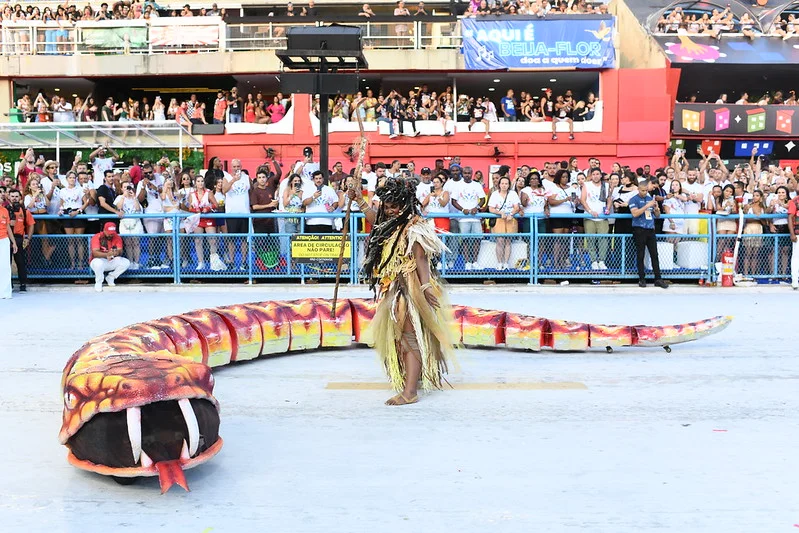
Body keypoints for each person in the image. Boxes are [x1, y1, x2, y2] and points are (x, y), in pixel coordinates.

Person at [348, 176, 455, 405]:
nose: (390, 211)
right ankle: (410, 381)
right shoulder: (391, 224)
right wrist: (358, 200)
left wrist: (425, 287)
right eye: (387, 207)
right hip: (393, 287)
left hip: (409, 287)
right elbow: (374, 221)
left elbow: (421, 259)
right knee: (400, 338)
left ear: (405, 204)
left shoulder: (414, 227)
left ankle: (409, 393)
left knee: (409, 336)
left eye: (395, 206)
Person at [629, 180, 668, 289]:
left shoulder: (650, 198)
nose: (644, 192)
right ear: (638, 189)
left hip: (650, 229)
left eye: (646, 190)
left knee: (654, 255)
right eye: (642, 190)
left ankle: (658, 278)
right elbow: (635, 213)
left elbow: (657, 215)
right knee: (640, 254)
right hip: (639, 229)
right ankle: (642, 278)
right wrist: (647, 206)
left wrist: (656, 209)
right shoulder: (634, 199)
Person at [488, 176, 521, 270]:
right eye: (502, 183)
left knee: (508, 241)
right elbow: (491, 208)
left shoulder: (513, 194)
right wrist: (500, 213)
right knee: (500, 240)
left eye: (506, 183)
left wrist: (511, 214)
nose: (504, 185)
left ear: (509, 185)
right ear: (499, 184)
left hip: (510, 219)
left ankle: (506, 263)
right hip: (499, 220)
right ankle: (499, 263)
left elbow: (516, 207)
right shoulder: (494, 194)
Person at [89, 221, 130, 292]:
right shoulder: (97, 237)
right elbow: (95, 253)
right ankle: (98, 282)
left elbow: (120, 251)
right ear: (104, 230)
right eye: (109, 233)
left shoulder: (116, 237)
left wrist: (116, 252)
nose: (110, 235)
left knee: (126, 262)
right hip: (98, 260)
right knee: (98, 263)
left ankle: (111, 277)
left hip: (111, 260)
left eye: (112, 233)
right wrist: (107, 254)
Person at [7, 189, 32, 292]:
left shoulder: (25, 211)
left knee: (20, 262)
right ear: (9, 197)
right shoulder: (4, 210)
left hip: (19, 238)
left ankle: (23, 284)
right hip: (6, 239)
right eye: (12, 196)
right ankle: (8, 284)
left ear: (20, 198)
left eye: (16, 196)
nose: (14, 198)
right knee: (6, 263)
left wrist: (28, 238)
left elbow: (31, 225)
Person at [0, 199, 17, 298]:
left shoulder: (5, 210)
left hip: (4, 240)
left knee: (5, 267)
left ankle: (5, 293)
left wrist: (13, 242)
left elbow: (8, 227)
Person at [788, 191, 799, 290]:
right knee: (796, 257)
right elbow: (790, 217)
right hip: (798, 233)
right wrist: (792, 233)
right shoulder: (795, 201)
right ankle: (795, 280)